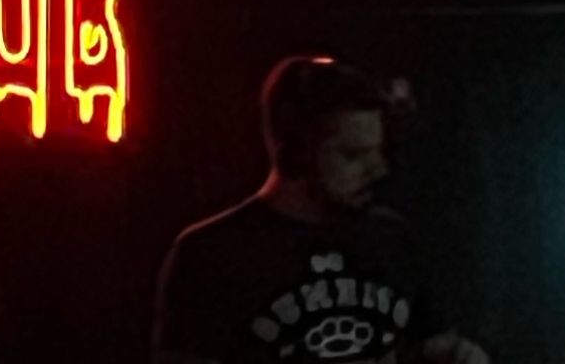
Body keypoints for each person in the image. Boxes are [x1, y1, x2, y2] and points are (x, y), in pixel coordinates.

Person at [152, 56, 489, 364]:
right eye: (353, 155)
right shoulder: (210, 255)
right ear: (295, 151)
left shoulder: (393, 239)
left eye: (378, 152)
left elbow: (427, 342)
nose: (378, 170)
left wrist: (453, 354)